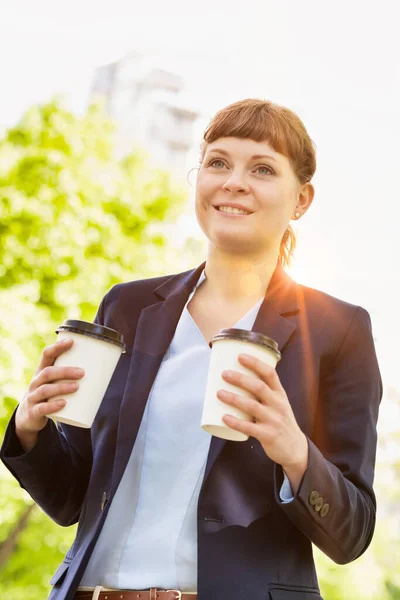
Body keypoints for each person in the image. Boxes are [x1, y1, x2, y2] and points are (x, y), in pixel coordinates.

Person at [1, 99, 382, 600]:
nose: (233, 182)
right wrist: (32, 427)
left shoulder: (338, 330)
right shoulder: (127, 307)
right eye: (217, 162)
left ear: (301, 200)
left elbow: (351, 533)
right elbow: (74, 499)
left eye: (262, 169)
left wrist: (293, 451)